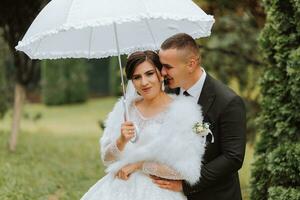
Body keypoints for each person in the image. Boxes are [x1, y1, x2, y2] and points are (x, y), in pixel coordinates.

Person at [81, 51, 208, 200]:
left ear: (161, 74)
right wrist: (121, 140)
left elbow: (187, 170)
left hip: (159, 192)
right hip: (118, 189)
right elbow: (107, 159)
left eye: (149, 74)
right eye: (137, 77)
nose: (144, 82)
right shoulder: (124, 109)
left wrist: (139, 165)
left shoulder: (183, 111)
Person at [152, 33, 246, 200]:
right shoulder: (166, 94)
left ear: (191, 64)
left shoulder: (228, 102)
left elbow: (232, 158)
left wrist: (186, 184)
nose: (162, 72)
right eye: (161, 65)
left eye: (168, 67)